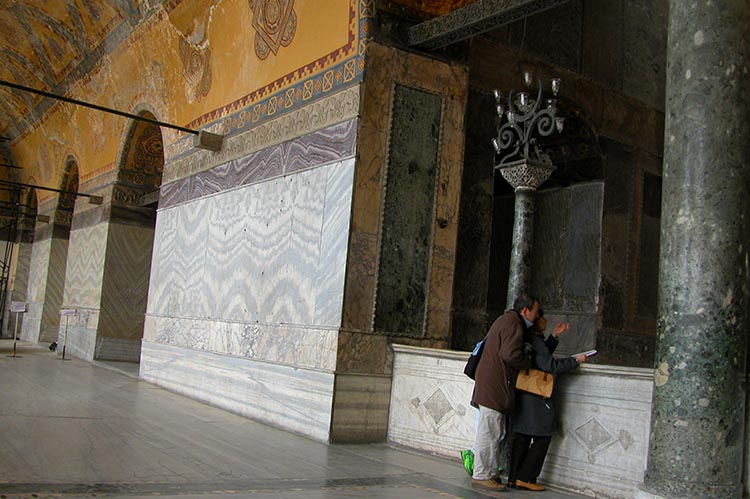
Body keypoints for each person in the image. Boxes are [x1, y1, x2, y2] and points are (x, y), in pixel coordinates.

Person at [508, 310, 587, 491]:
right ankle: (526, 478)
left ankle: (514, 477)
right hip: (537, 396)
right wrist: (575, 360)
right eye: (542, 317)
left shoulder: (528, 337)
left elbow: (539, 355)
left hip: (524, 394)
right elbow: (549, 365)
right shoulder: (535, 340)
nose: (545, 320)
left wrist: (553, 337)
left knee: (522, 436)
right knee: (542, 437)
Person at [470, 292, 538, 491]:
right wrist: (525, 362)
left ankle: (489, 473)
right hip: (494, 387)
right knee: (490, 431)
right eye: (535, 312)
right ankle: (482, 474)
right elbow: (509, 354)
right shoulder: (513, 323)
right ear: (525, 311)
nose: (536, 316)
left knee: (493, 430)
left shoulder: (506, 320)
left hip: (492, 386)